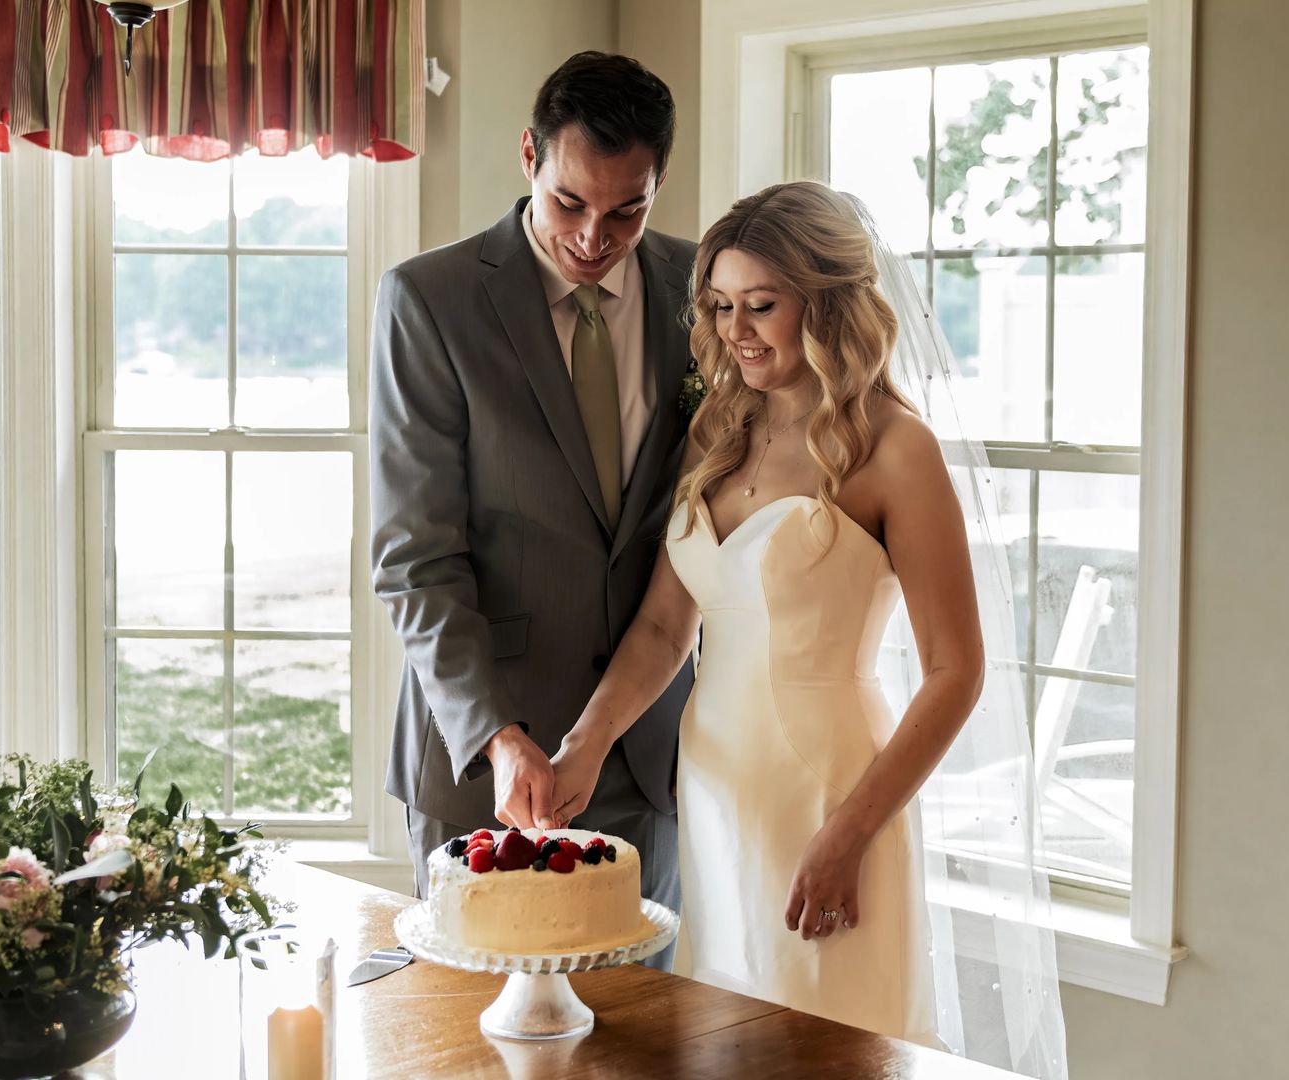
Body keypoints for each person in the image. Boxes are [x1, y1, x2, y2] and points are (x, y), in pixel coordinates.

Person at [546, 180, 988, 1044]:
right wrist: (585, 743)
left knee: (828, 1046)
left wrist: (848, 835)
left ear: (824, 305)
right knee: (725, 1046)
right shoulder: (718, 424)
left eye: (761, 306)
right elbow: (667, 628)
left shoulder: (898, 451)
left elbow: (955, 672)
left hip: (832, 797)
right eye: (719, 306)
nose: (736, 330)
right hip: (714, 791)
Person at [368, 52, 693, 967]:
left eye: (629, 208)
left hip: (640, 752)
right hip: (479, 762)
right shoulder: (429, 300)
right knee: (466, 1046)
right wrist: (498, 737)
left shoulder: (705, 292)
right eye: (570, 202)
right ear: (528, 156)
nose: (595, 235)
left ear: (658, 182)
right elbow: (416, 558)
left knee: (633, 1040)